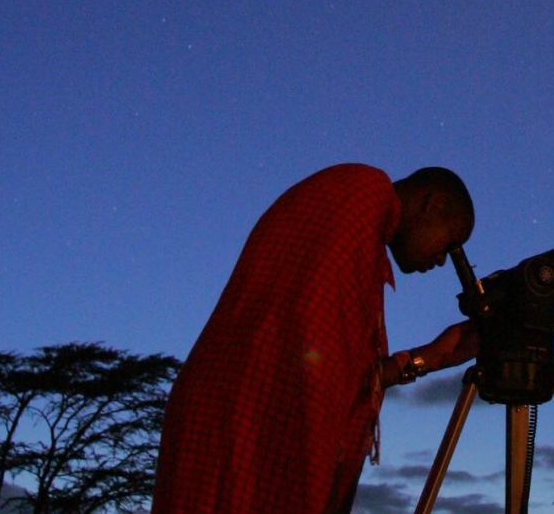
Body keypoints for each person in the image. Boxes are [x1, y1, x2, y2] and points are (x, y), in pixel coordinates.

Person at [151, 163, 479, 513]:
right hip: (242, 420)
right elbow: (316, 362)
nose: (444, 261)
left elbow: (341, 371)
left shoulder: (363, 228)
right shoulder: (362, 193)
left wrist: (433, 356)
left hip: (238, 413)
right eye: (451, 244)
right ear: (435, 204)